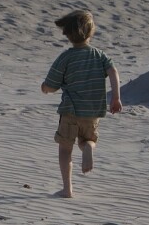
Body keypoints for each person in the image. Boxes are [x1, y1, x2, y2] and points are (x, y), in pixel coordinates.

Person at [41, 10, 122, 198]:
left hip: (70, 112)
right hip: (92, 112)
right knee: (89, 140)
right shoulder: (100, 55)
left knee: (65, 149)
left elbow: (51, 85)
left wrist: (45, 88)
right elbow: (113, 71)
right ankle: (88, 148)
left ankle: (67, 189)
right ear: (91, 32)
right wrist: (116, 97)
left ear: (67, 35)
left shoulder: (66, 57)